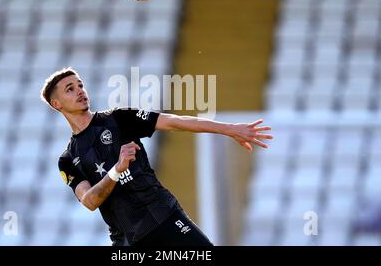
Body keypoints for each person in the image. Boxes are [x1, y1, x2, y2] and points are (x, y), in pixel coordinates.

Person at [40, 67, 273, 246]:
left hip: (163, 216)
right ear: (56, 103)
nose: (80, 91)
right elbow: (90, 201)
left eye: (80, 85)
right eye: (70, 89)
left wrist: (230, 129)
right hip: (127, 240)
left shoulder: (119, 118)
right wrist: (116, 170)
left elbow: (176, 122)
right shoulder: (68, 159)